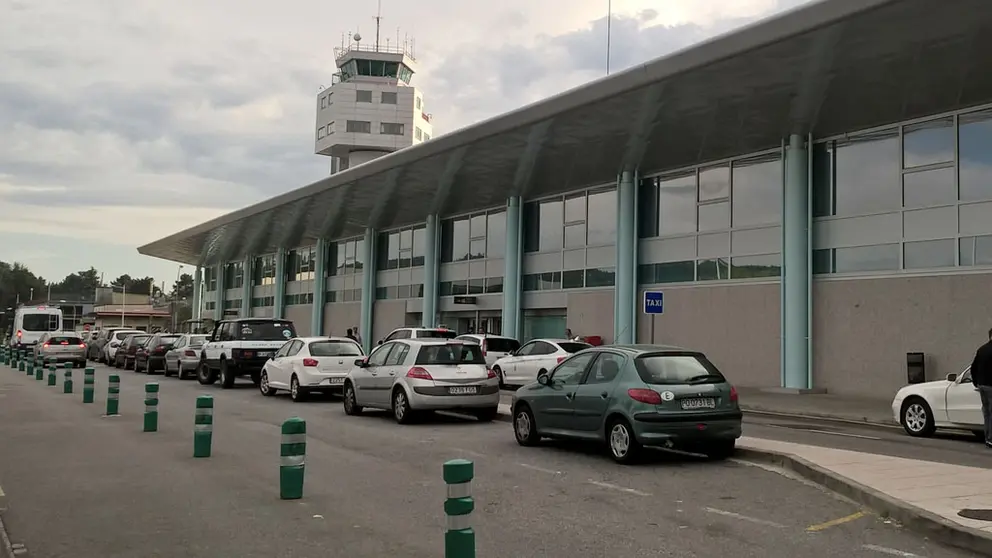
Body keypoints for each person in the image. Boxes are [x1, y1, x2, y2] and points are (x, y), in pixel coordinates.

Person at [971, 327, 992, 448]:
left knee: (987, 412)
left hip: (982, 385)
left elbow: (973, 367)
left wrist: (976, 382)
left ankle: (988, 438)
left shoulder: (982, 350)